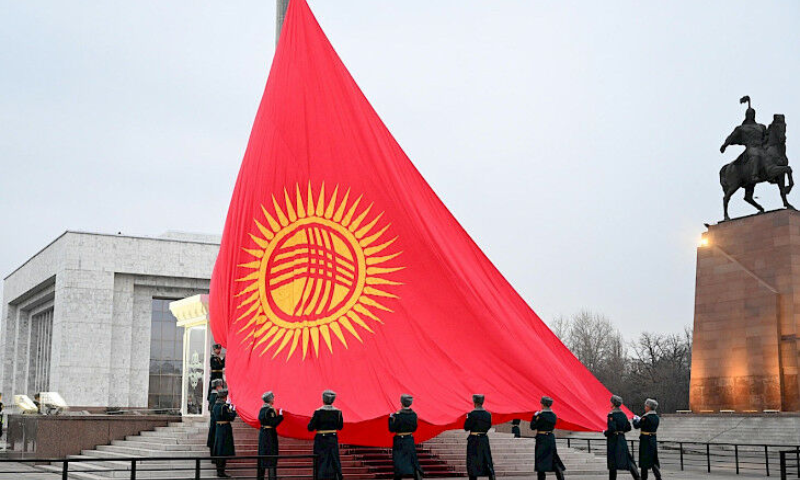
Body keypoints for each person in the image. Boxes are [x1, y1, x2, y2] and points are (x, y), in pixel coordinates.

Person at [720, 103, 767, 184]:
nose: (751, 115)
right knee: (755, 155)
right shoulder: (742, 128)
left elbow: (767, 136)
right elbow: (731, 137)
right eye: (750, 114)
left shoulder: (761, 127)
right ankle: (754, 175)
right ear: (747, 115)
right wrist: (725, 145)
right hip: (751, 148)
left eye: (752, 114)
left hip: (762, 147)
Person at [307, 390, 344, 480]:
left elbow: (310, 427)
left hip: (321, 440)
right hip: (333, 439)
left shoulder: (318, 412)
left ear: (323, 399)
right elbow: (340, 426)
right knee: (333, 460)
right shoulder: (338, 412)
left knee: (321, 461)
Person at [604, 395, 640, 480]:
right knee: (627, 458)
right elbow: (628, 427)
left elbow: (612, 428)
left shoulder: (612, 414)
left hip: (613, 440)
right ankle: (637, 477)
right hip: (621, 438)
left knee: (613, 461)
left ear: (613, 403)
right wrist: (621, 431)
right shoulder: (623, 414)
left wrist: (605, 432)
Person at [388, 394, 423, 480]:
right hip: (409, 439)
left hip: (400, 440)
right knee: (412, 458)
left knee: (398, 460)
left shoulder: (398, 415)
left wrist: (390, 419)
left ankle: (398, 476)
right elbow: (415, 427)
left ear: (402, 402)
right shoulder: (414, 415)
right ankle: (417, 474)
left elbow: (392, 428)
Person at [530, 396, 565, 480]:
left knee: (540, 460)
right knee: (554, 459)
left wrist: (534, 417)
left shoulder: (540, 415)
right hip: (550, 438)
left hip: (542, 439)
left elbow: (533, 427)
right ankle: (560, 476)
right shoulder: (553, 415)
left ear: (543, 404)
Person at [464, 394, 495, 480]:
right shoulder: (488, 414)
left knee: (473, 462)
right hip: (484, 439)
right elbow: (489, 426)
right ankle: (491, 475)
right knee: (486, 460)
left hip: (474, 440)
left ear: (475, 402)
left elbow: (466, 427)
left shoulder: (472, 414)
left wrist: (467, 418)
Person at [633, 399, 661, 480]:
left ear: (649, 407)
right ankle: (658, 477)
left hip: (645, 440)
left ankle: (644, 478)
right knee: (653, 460)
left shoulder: (645, 417)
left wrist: (635, 420)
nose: (645, 407)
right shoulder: (656, 417)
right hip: (653, 439)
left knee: (644, 461)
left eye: (646, 406)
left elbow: (637, 426)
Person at [258, 391, 284, 480]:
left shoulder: (262, 409)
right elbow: (273, 422)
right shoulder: (270, 410)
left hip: (263, 434)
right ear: (270, 399)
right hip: (270, 435)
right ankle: (272, 477)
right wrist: (280, 416)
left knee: (262, 455)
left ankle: (261, 477)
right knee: (271, 455)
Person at [212, 388, 238, 478]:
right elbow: (230, 417)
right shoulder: (224, 406)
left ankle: (219, 470)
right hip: (225, 429)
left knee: (219, 450)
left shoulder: (215, 406)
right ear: (224, 397)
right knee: (223, 451)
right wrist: (233, 411)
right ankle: (221, 471)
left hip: (219, 428)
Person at [207, 379, 225, 458]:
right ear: (217, 387)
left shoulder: (213, 395)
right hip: (215, 420)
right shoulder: (215, 396)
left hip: (214, 419)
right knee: (215, 438)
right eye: (221, 386)